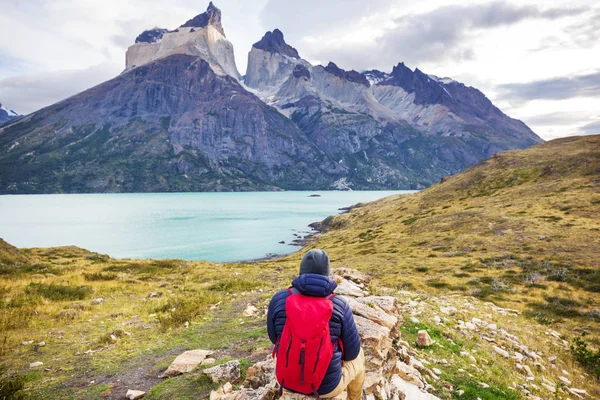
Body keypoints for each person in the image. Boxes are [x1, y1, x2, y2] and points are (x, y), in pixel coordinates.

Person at [267, 249, 365, 400]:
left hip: (286, 381)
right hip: (326, 388)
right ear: (327, 273)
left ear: (301, 271)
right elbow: (351, 352)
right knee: (359, 357)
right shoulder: (339, 304)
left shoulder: (280, 299)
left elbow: (274, 339)